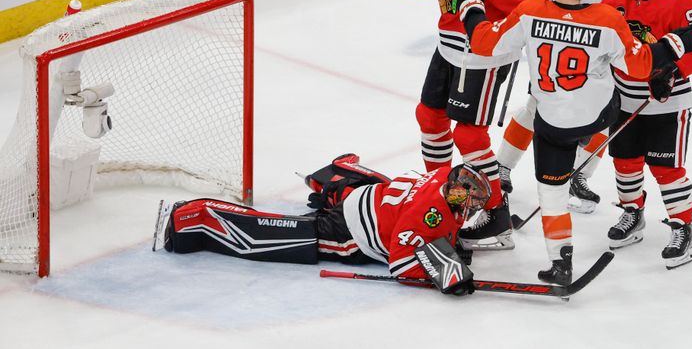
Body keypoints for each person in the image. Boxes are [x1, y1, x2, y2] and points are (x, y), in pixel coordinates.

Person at [455, 0, 692, 284]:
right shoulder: (608, 18)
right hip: (598, 117)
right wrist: (673, 44)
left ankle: (560, 263)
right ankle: (587, 174)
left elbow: (485, 44)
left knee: (551, 193)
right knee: (615, 90)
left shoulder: (529, 11)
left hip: (552, 123)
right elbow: (640, 66)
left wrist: (471, 8)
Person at [372, 0, 530, 249]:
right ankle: (439, 195)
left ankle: (497, 215)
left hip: (483, 56)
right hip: (447, 49)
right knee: (429, 117)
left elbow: (521, 12)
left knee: (470, 138)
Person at [497, 0, 658, 213]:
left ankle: (579, 174)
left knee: (604, 112)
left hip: (608, 37)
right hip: (564, 33)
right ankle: (501, 168)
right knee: (536, 104)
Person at [153, 154, 489, 295]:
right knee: (277, 235)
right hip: (351, 234)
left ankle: (335, 176)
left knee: (383, 186)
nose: (473, 207)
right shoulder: (429, 213)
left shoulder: (446, 177)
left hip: (369, 196)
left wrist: (449, 245)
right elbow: (400, 265)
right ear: (458, 193)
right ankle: (192, 218)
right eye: (470, 201)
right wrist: (442, 275)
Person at [601, 0, 692, 269]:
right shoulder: (614, 0)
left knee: (666, 169)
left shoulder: (679, 1)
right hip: (625, 100)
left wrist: (674, 72)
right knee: (625, 161)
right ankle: (632, 214)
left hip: (668, 103)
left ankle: (683, 228)